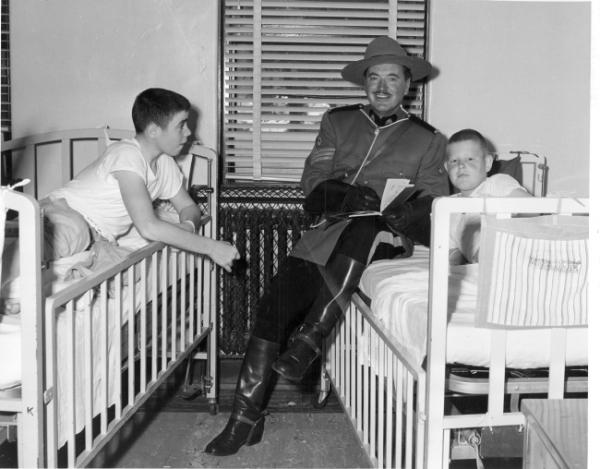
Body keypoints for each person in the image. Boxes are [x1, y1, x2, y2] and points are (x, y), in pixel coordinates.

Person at [205, 36, 449, 456]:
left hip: (383, 238)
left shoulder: (428, 139)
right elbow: (312, 179)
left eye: (393, 77)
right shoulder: (338, 122)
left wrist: (403, 212)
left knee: (367, 226)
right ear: (364, 84)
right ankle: (245, 418)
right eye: (374, 78)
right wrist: (340, 192)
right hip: (327, 233)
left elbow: (434, 201)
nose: (383, 86)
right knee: (272, 309)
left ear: (408, 83)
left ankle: (311, 339)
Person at [43, 87, 240, 271]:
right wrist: (211, 247)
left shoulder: (164, 163)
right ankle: (19, 280)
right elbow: (148, 227)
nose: (189, 132)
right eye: (181, 125)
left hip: (99, 238)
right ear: (153, 131)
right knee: (70, 235)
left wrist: (187, 226)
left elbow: (188, 208)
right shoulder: (127, 155)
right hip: (67, 214)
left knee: (127, 270)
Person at [445, 128, 531, 265]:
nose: (461, 165)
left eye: (470, 159)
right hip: (482, 265)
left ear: (488, 163)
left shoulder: (497, 183)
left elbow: (532, 209)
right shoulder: (446, 207)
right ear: (446, 168)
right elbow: (451, 253)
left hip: (516, 249)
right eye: (454, 161)